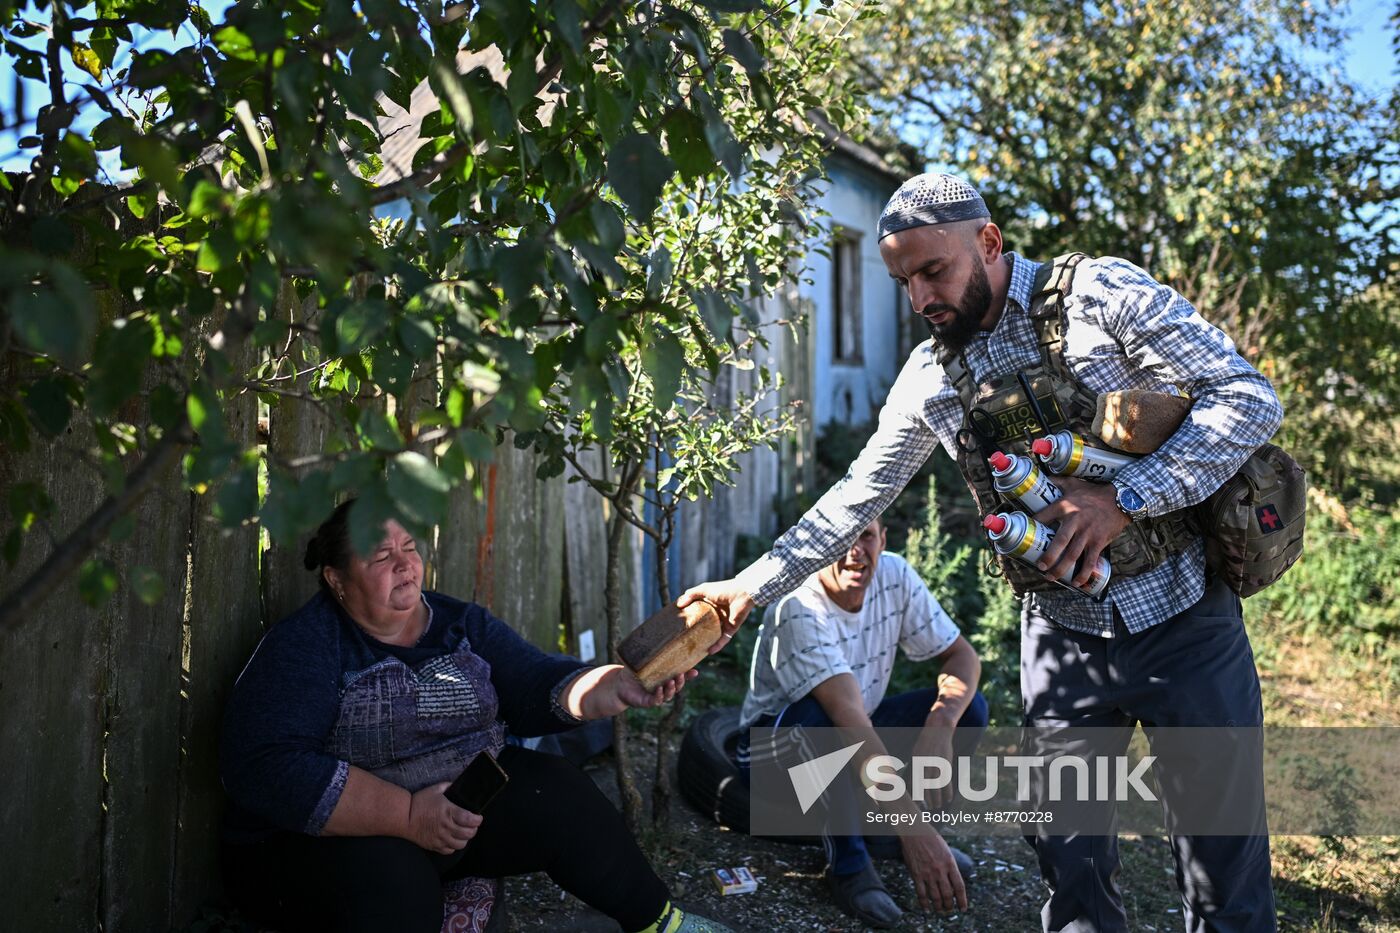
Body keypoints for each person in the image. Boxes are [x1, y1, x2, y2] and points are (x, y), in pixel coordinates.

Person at [681, 173, 1282, 931]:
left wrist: (1125, 497)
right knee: (1072, 874)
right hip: (1062, 640)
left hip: (1187, 617)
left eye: (934, 271)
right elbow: (859, 494)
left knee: (1224, 868)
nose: (919, 297)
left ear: (989, 242)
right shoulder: (932, 375)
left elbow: (1248, 396)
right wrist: (751, 586)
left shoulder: (1103, 294)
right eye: (903, 281)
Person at [220, 499, 730, 933]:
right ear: (336, 579)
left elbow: (537, 683)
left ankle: (661, 921)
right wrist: (407, 816)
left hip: (455, 817)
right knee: (399, 884)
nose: (404, 564)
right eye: (381, 556)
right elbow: (265, 765)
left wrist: (615, 685)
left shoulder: (460, 624)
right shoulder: (305, 647)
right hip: (333, 844)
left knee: (558, 790)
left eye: (410, 548)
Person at [737, 511, 987, 927]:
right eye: (840, 541)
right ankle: (850, 866)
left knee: (966, 708)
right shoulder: (798, 607)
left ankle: (885, 836)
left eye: (866, 537)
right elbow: (847, 717)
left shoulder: (895, 575)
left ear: (883, 540)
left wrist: (938, 728)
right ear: (818, 551)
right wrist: (916, 829)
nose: (855, 552)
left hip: (853, 728)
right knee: (827, 719)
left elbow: (961, 657)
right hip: (770, 757)